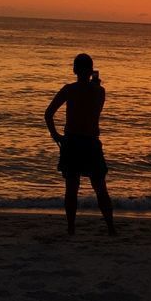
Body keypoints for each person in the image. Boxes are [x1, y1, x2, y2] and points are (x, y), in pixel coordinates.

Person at [44, 53, 116, 236]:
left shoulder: (69, 90)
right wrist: (96, 84)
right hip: (91, 142)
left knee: (71, 188)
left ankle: (71, 228)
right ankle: (111, 228)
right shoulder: (100, 91)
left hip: (72, 142)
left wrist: (56, 136)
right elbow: (96, 109)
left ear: (74, 69)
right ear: (91, 71)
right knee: (100, 187)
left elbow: (48, 114)